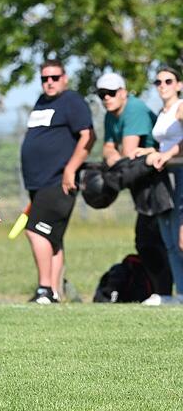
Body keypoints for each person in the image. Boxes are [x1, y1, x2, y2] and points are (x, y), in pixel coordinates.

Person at [20, 59, 95, 304]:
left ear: (65, 78)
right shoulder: (42, 102)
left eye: (54, 77)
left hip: (58, 181)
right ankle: (53, 291)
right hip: (38, 184)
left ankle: (44, 289)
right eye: (44, 78)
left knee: (34, 231)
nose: (49, 82)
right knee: (52, 238)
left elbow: (88, 136)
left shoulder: (72, 101)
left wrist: (70, 169)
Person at [97, 72, 173, 297]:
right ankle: (162, 294)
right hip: (141, 185)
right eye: (102, 94)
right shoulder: (111, 114)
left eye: (111, 93)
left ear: (123, 92)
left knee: (161, 242)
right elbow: (108, 151)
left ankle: (167, 294)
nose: (107, 98)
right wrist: (114, 157)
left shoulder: (134, 109)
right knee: (147, 242)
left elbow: (127, 155)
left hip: (160, 180)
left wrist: (116, 158)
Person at [136, 66, 183, 304]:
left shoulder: (180, 107)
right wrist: (152, 151)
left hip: (181, 174)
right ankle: (180, 294)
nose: (163, 85)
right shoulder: (162, 112)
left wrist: (168, 155)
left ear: (178, 84)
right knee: (170, 240)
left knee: (181, 238)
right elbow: (166, 144)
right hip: (166, 177)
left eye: (168, 80)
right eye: (158, 82)